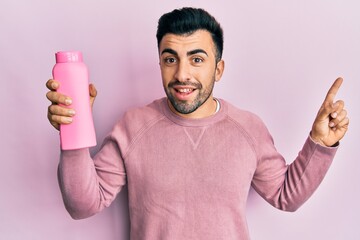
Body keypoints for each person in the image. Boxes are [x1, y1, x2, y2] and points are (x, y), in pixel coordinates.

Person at [46, 7, 349, 240]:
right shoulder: (133, 125)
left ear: (218, 69)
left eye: (197, 59)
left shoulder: (248, 128)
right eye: (170, 59)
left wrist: (319, 142)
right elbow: (83, 205)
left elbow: (286, 196)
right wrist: (73, 129)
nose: (181, 74)